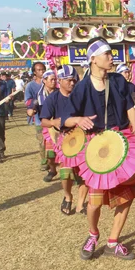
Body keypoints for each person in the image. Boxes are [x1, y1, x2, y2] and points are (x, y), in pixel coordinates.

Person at [62, 37, 135, 261]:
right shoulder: (82, 88)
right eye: (106, 54)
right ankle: (93, 234)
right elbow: (65, 119)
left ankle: (113, 241)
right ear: (93, 59)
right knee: (94, 200)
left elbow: (129, 107)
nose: (111, 57)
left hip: (121, 142)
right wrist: (78, 119)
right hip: (96, 147)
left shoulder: (117, 81)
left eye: (110, 53)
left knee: (126, 196)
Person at [40, 65, 88, 215]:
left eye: (74, 80)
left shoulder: (81, 96)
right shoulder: (53, 98)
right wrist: (53, 123)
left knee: (85, 172)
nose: (72, 83)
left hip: (82, 137)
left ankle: (81, 203)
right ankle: (68, 196)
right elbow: (44, 121)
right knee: (66, 172)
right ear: (60, 80)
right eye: (68, 80)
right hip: (63, 138)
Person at [25, 62, 49, 170]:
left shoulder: (50, 82)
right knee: (42, 141)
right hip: (40, 119)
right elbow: (28, 100)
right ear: (34, 72)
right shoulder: (30, 85)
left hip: (52, 117)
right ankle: (44, 162)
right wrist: (32, 107)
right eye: (39, 70)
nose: (42, 71)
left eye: (43, 69)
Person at [38, 70, 59, 182]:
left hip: (61, 125)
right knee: (50, 154)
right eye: (51, 79)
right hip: (48, 125)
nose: (53, 82)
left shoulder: (60, 92)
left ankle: (71, 172)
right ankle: (52, 170)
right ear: (44, 81)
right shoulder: (40, 95)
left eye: (55, 79)